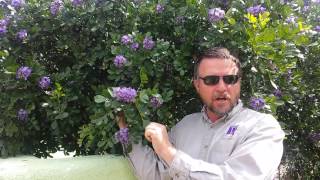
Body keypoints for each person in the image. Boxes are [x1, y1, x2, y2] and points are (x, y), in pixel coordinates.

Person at [118, 47, 285, 180]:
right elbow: (155, 175)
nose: (222, 87)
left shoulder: (262, 127)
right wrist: (125, 131)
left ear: (239, 83)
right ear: (197, 85)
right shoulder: (184, 126)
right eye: (211, 80)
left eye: (230, 79)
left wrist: (169, 152)